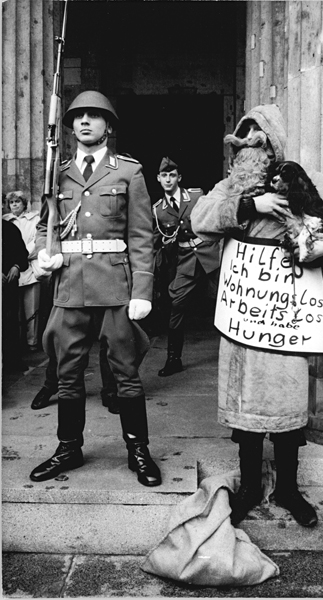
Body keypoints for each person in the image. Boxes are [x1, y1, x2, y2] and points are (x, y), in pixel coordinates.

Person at [190, 104, 323, 528]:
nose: (250, 145)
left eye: (259, 138)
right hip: (246, 315)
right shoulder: (231, 187)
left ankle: (287, 487)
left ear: (274, 144)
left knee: (287, 402)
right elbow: (199, 217)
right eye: (243, 137)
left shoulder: (307, 181)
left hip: (285, 316)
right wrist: (252, 206)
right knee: (245, 403)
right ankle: (250, 486)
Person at [29, 90, 161, 487]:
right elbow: (43, 226)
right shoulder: (60, 172)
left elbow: (141, 236)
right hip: (70, 285)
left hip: (116, 287)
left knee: (126, 374)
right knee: (68, 372)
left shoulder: (128, 172)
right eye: (78, 116)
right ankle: (68, 447)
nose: (85, 121)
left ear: (108, 126)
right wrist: (44, 252)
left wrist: (142, 291)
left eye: (94, 115)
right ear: (70, 127)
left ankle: (138, 450)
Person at [153, 157, 221, 376]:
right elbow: (153, 240)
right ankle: (174, 359)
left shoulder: (196, 195)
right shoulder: (158, 210)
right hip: (185, 261)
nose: (168, 179)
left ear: (179, 178)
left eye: (172, 175)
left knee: (228, 298)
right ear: (158, 179)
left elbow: (214, 218)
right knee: (177, 304)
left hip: (210, 255)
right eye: (164, 176)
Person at [3, 191, 42, 351]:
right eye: (11, 202)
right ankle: (17, 343)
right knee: (13, 309)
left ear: (24, 203)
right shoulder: (5, 221)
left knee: (31, 308)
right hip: (11, 269)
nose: (14, 205)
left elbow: (37, 240)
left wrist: (22, 256)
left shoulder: (35, 219)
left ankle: (31, 341)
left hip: (29, 266)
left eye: (18, 202)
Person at [2, 196, 29, 372]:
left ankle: (12, 362)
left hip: (8, 285)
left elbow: (23, 255)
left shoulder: (10, 229)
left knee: (10, 323)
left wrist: (16, 266)